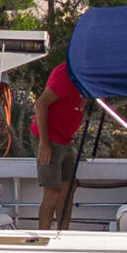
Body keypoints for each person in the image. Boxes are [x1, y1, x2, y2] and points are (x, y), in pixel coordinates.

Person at [36, 61, 88, 232]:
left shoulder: (82, 76)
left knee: (68, 187)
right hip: (50, 139)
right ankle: (43, 235)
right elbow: (41, 104)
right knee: (52, 192)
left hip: (65, 139)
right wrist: (44, 143)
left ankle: (63, 232)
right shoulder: (67, 75)